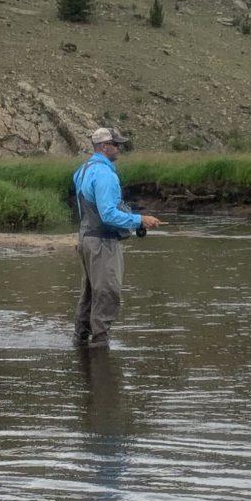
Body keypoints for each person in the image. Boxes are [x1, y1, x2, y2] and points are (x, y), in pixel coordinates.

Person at [72, 126, 162, 349]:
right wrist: (140, 220)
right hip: (102, 242)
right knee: (107, 291)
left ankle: (80, 341)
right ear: (104, 147)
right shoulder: (104, 174)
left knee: (90, 292)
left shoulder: (83, 170)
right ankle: (100, 346)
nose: (119, 149)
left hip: (85, 239)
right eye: (116, 145)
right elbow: (108, 214)